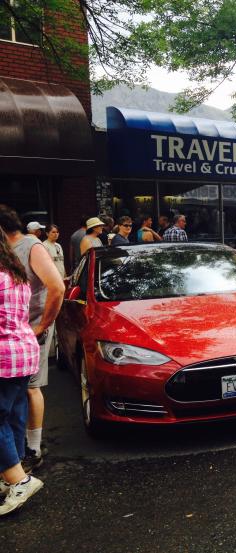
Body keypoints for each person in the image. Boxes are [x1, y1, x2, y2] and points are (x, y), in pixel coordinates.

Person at [0, 206, 64, 472]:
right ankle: (19, 452)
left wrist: (42, 325)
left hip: (28, 329)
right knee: (17, 397)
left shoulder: (31, 247)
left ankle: (34, 448)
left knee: (30, 388)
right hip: (14, 330)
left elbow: (57, 287)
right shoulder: (11, 249)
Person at [0, 227, 44, 516]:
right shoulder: (16, 276)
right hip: (23, 354)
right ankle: (9, 477)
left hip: (3, 357)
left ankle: (19, 480)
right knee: (14, 416)